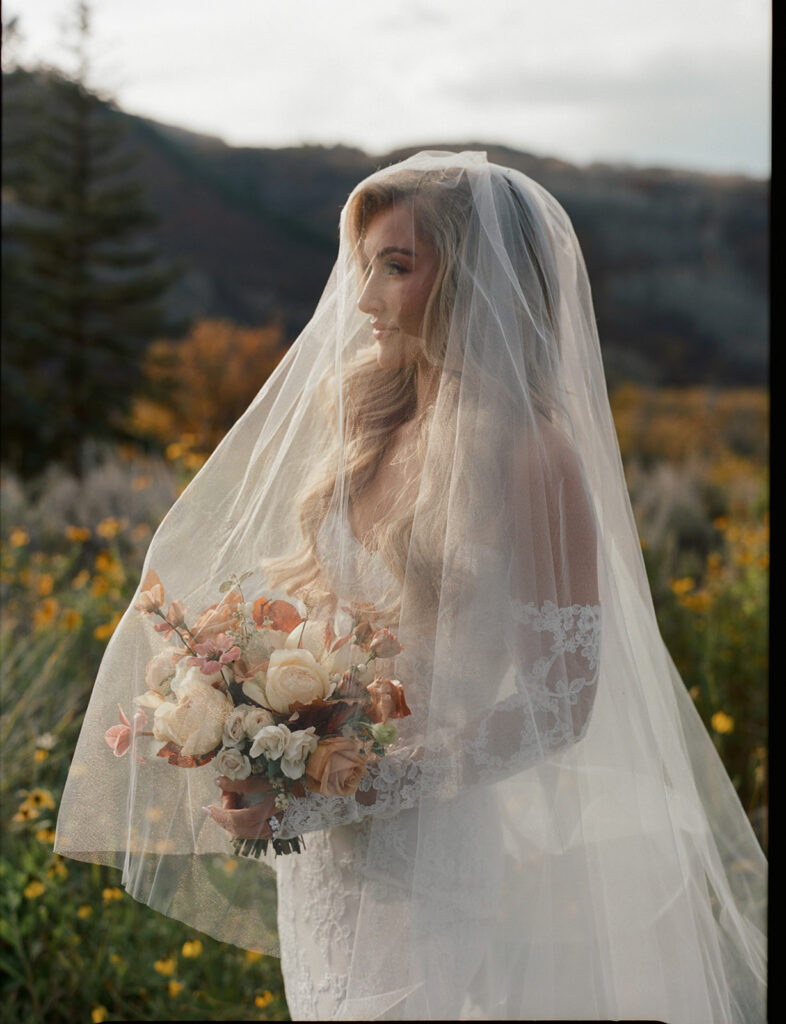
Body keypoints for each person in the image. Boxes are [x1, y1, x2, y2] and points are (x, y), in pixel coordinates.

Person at [55, 151, 767, 1021]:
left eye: (398, 267)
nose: (364, 301)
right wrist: (258, 728)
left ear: (471, 282)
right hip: (318, 856)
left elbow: (559, 702)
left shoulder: (533, 456)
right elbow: (329, 633)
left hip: (431, 861)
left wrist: (348, 786)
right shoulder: (371, 425)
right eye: (368, 267)